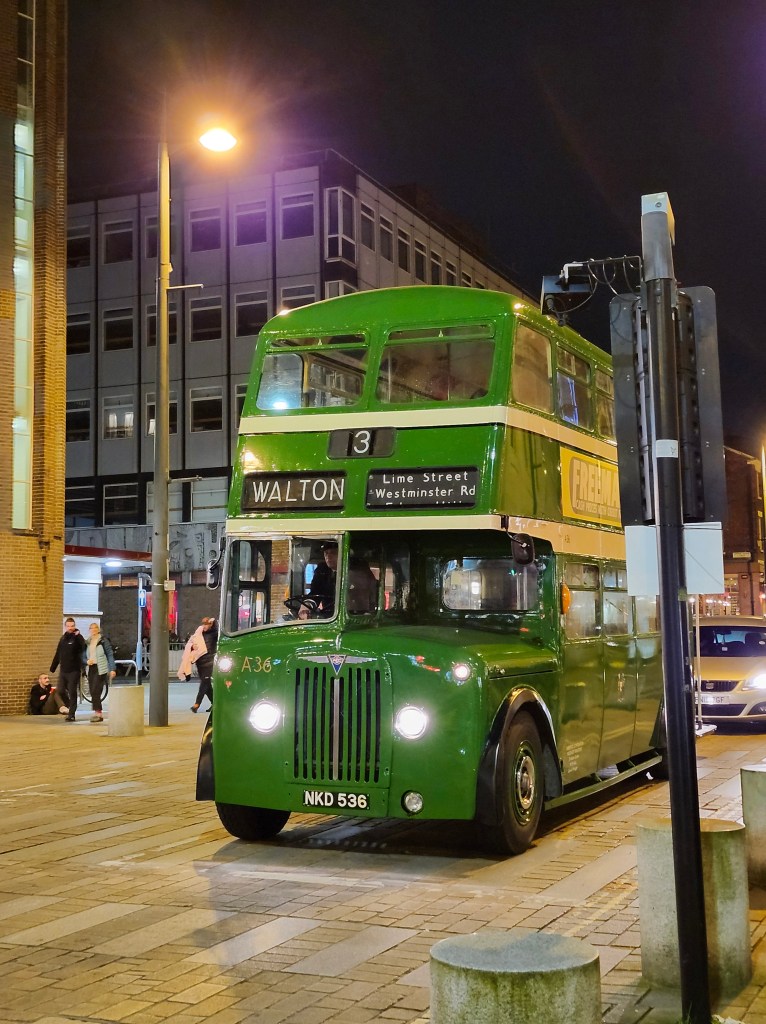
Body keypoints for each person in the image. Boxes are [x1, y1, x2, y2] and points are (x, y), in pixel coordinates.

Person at [50, 617, 86, 722]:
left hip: (73, 671)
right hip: (63, 670)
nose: (70, 628)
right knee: (60, 690)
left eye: (72, 626)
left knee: (72, 691)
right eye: (68, 626)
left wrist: (77, 636)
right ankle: (68, 706)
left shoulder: (78, 638)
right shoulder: (63, 639)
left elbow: (82, 648)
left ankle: (72, 714)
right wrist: (53, 667)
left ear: (74, 626)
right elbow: (58, 653)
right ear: (65, 627)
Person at [84, 622, 116, 723]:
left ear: (98, 629)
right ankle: (96, 712)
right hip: (91, 667)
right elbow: (83, 655)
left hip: (101, 668)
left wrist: (112, 668)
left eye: (95, 628)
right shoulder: (88, 642)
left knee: (96, 690)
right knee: (92, 690)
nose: (93, 630)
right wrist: (86, 661)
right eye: (91, 628)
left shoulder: (103, 641)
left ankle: (98, 713)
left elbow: (109, 654)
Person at [191, 616, 218, 713]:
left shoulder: (214, 634)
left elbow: (217, 630)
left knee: (204, 683)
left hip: (209, 662)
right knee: (207, 685)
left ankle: (197, 704)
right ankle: (215, 703)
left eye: (207, 624)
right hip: (200, 663)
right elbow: (191, 641)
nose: (205, 626)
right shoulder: (200, 634)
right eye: (204, 624)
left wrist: (214, 623)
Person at [308, 542, 338, 615]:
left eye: (333, 553)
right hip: (329, 617)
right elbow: (315, 592)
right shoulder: (322, 571)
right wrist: (307, 605)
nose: (328, 556)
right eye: (326, 553)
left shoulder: (354, 570)